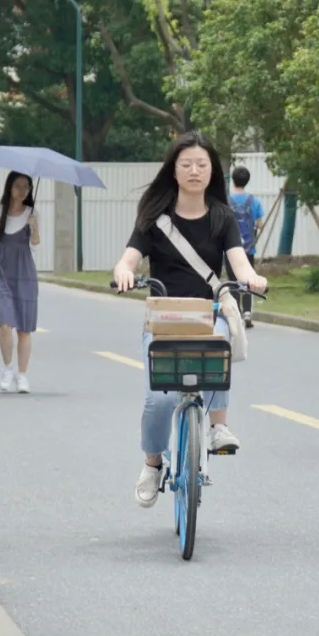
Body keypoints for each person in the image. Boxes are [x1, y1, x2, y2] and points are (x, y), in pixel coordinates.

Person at [112, 131, 268, 509]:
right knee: (159, 401)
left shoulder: (222, 217)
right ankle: (153, 463)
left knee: (217, 348)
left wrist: (252, 278)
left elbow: (239, 262)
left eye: (202, 164)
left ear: (212, 171)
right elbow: (128, 258)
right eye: (186, 165)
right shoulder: (154, 219)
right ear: (174, 171)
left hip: (207, 313)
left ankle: (218, 427)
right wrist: (123, 272)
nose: (194, 171)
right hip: (164, 319)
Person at [0, 172, 40, 394]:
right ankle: (7, 368)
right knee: (5, 323)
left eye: (26, 187)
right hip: (2, 273)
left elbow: (35, 245)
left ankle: (22, 375)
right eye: (18, 186)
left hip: (26, 275)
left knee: (24, 329)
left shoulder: (32, 213)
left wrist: (34, 227)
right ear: (9, 188)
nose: (22, 191)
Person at [226, 165, 264, 326]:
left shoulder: (227, 201)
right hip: (248, 249)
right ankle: (248, 313)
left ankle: (237, 312)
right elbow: (260, 224)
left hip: (229, 250)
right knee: (249, 279)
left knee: (233, 281)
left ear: (233, 181)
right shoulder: (254, 201)